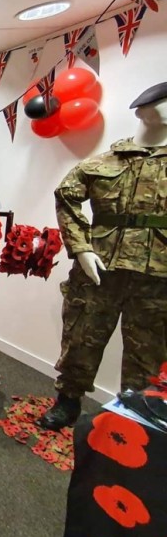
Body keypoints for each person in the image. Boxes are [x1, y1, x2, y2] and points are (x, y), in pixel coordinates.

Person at [39, 82, 167, 431]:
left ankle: (137, 419)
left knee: (148, 352)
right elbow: (66, 197)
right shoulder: (103, 163)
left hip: (157, 276)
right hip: (99, 268)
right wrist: (81, 247)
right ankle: (67, 403)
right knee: (81, 338)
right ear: (143, 111)